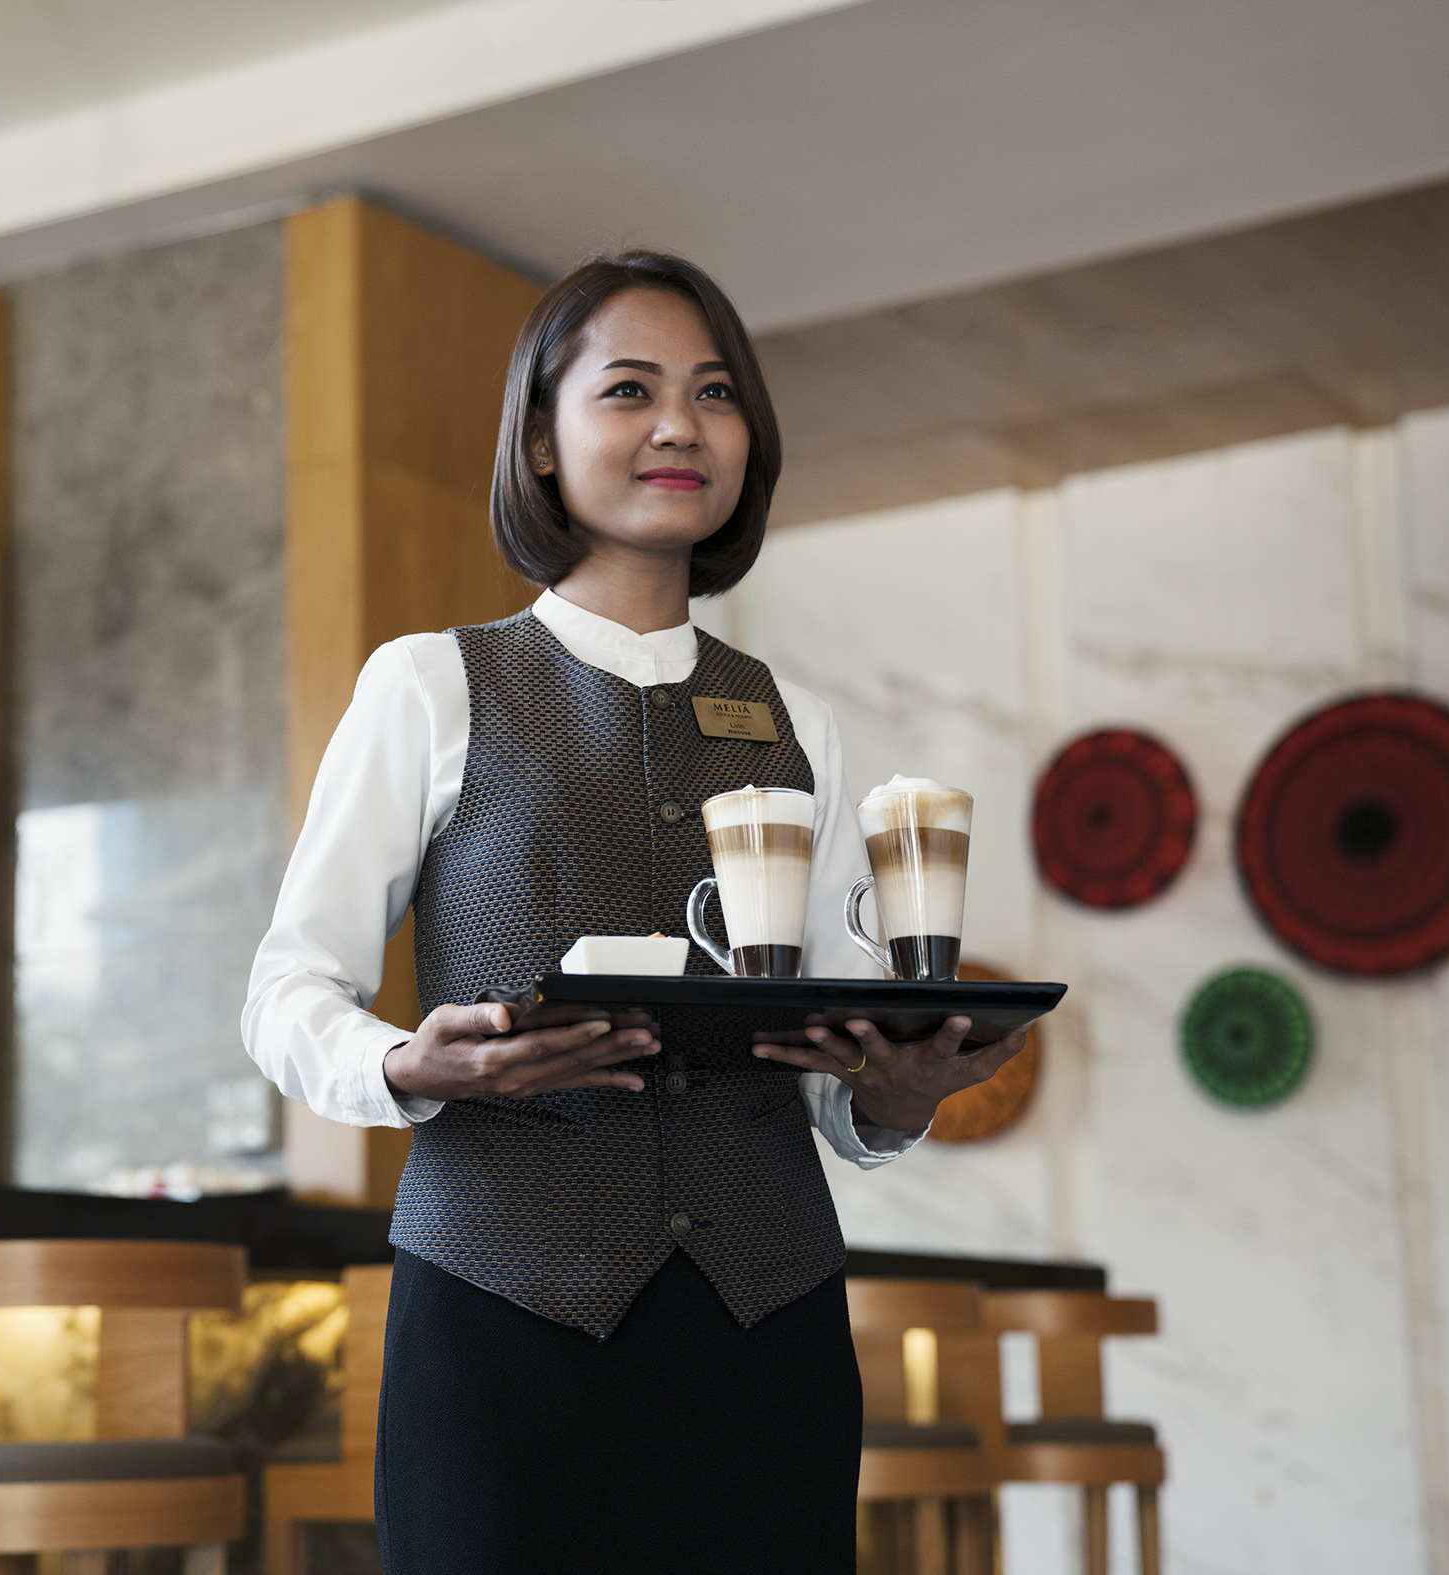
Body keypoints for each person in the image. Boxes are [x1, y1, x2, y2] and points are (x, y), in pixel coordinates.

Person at [243, 250, 1028, 1573]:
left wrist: (894, 1097)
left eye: (714, 393)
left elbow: (825, 1051)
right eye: (629, 390)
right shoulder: (430, 686)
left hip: (764, 1322)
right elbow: (285, 991)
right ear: (540, 444)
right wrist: (406, 1064)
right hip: (500, 1315)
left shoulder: (800, 722)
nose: (679, 425)